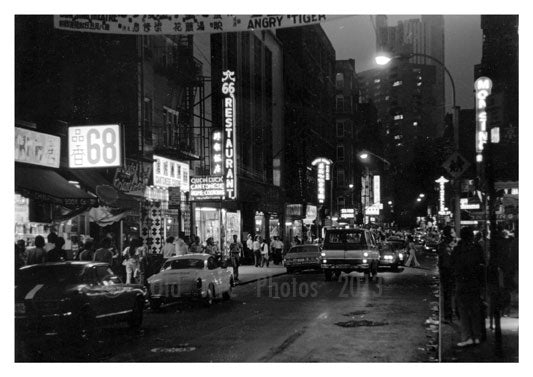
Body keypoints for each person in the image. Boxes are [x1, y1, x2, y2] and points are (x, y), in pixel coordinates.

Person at [451, 227, 485, 347]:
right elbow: (482, 264)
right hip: (474, 283)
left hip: (462, 283)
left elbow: (452, 265)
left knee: (464, 311)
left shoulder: (458, 250)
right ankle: (477, 336)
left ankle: (467, 337)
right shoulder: (477, 248)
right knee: (475, 310)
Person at [437, 226, 456, 323]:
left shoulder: (456, 244)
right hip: (447, 272)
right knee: (448, 294)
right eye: (452, 232)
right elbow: (441, 259)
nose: (454, 233)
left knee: (452, 294)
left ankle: (453, 314)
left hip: (454, 272)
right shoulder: (443, 245)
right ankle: (448, 316)